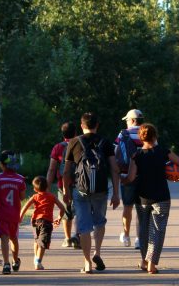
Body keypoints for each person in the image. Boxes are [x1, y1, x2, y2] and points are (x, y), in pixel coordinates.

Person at [123, 123, 179, 274]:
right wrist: (177, 175)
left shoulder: (136, 156)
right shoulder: (164, 152)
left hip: (142, 198)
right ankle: (151, 263)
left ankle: (145, 262)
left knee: (143, 232)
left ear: (141, 138)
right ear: (155, 136)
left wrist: (122, 179)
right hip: (162, 197)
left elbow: (131, 178)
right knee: (158, 231)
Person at [62, 112, 121, 274]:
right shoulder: (106, 142)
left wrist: (66, 192)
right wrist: (116, 194)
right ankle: (97, 253)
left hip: (80, 190)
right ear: (97, 125)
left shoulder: (74, 142)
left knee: (84, 226)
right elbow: (114, 170)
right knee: (100, 222)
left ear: (81, 126)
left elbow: (66, 172)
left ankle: (87, 262)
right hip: (101, 189)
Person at [20, 175, 67, 270]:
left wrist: (20, 217)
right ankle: (38, 262)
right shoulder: (52, 197)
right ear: (47, 187)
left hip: (35, 221)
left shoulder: (35, 196)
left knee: (37, 241)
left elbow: (25, 206)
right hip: (46, 222)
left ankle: (36, 257)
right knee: (43, 243)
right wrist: (59, 217)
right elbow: (62, 208)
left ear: (35, 189)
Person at [0, 150, 26, 275]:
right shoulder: (20, 179)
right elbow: (22, 197)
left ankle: (6, 264)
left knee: (4, 239)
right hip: (14, 214)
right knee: (14, 238)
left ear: (1, 164)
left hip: (1, 213)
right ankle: (15, 260)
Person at [46, 122, 80, 248]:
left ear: (63, 134)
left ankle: (67, 238)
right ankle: (78, 236)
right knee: (79, 211)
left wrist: (47, 187)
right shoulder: (80, 144)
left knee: (66, 211)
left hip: (62, 184)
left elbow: (52, 169)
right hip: (79, 183)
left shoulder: (58, 148)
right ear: (75, 133)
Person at [114, 109, 144, 248]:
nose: (126, 122)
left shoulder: (123, 134)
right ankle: (139, 238)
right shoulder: (147, 132)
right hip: (144, 176)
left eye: (127, 120)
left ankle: (126, 236)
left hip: (126, 174)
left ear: (132, 121)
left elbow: (115, 152)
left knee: (128, 206)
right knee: (141, 207)